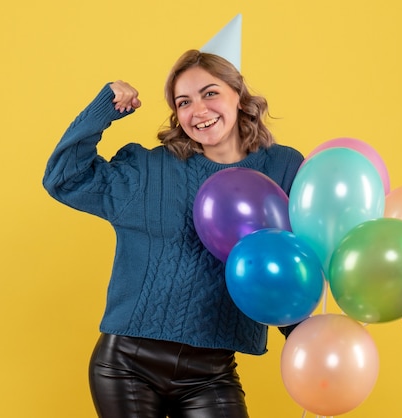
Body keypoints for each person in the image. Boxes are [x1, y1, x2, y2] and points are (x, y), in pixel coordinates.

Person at [43, 49, 304, 418]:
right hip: (127, 367)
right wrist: (105, 108)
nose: (198, 110)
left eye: (210, 93)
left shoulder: (283, 167)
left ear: (238, 95)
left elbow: (290, 259)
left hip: (212, 372)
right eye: (184, 102)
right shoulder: (149, 170)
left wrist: (308, 340)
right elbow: (63, 178)